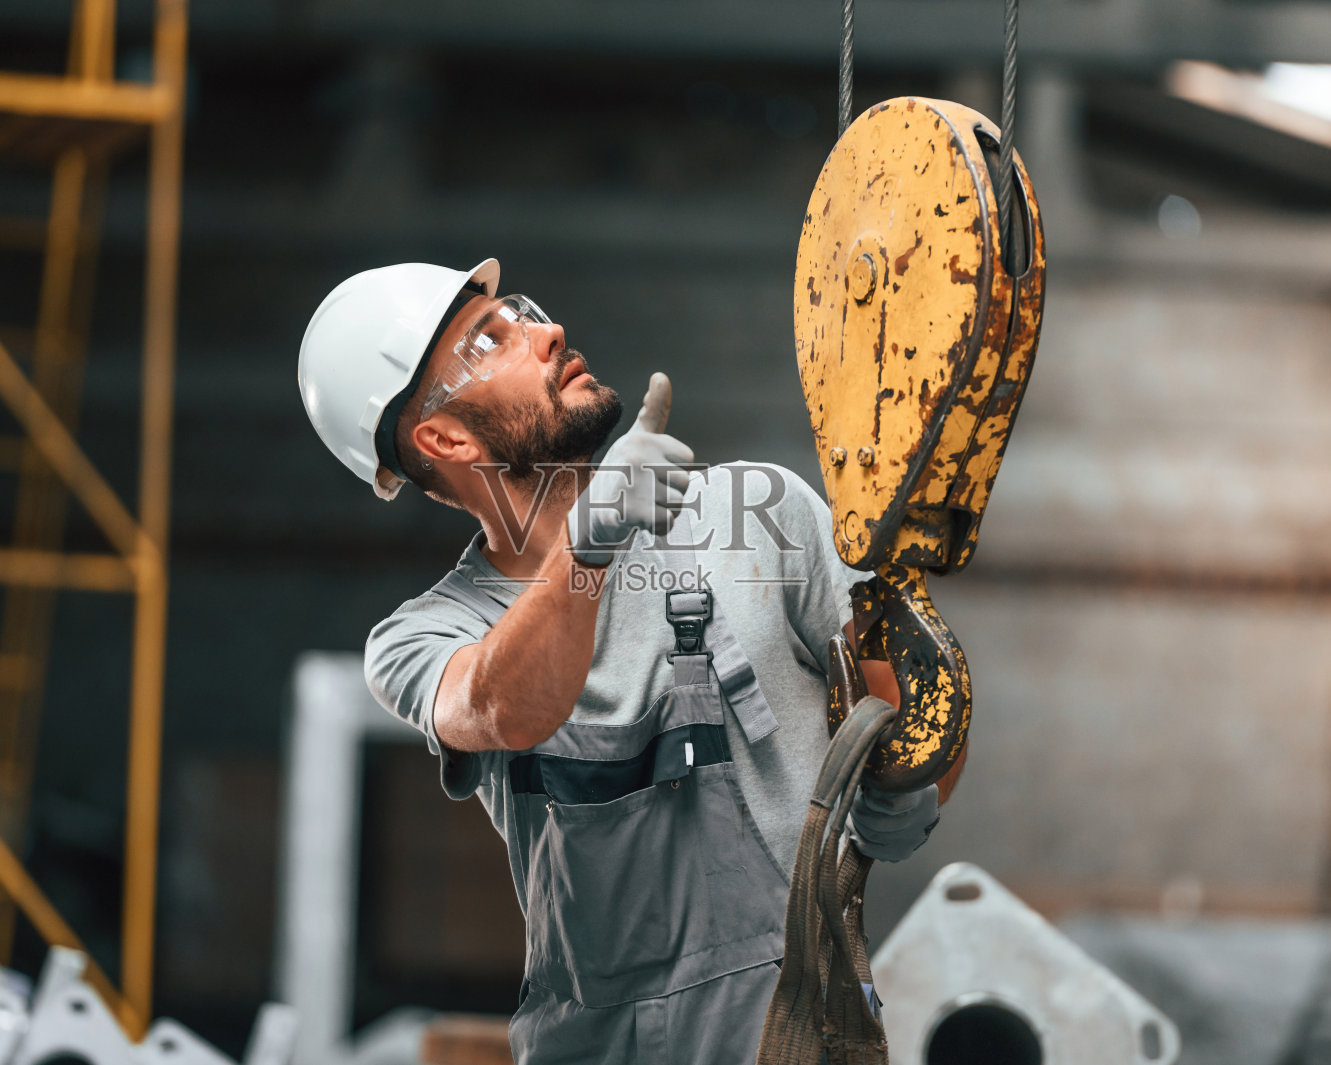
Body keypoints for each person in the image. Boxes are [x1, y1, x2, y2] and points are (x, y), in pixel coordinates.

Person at [298, 259, 958, 1065]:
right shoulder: (428, 635)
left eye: (525, 310)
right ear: (446, 438)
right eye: (491, 339)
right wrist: (588, 541)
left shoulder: (760, 518)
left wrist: (912, 785)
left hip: (793, 1039)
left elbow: (908, 691)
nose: (548, 333)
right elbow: (499, 705)